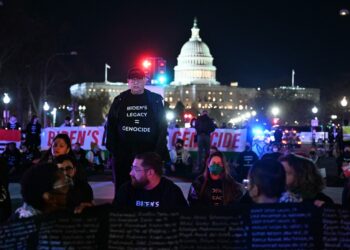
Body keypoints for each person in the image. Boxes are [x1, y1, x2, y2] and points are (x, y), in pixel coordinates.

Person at [106, 67, 169, 199]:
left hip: (148, 154)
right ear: (128, 82)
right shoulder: (119, 100)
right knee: (123, 189)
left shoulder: (155, 100)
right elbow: (111, 125)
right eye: (132, 80)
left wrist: (157, 153)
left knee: (148, 188)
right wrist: (114, 150)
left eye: (139, 79)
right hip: (123, 154)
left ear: (145, 80)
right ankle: (121, 213)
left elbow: (162, 127)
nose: (135, 83)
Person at [114, 152, 188, 209]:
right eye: (132, 168)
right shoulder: (126, 190)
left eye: (136, 169)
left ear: (150, 172)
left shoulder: (172, 192)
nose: (130, 173)